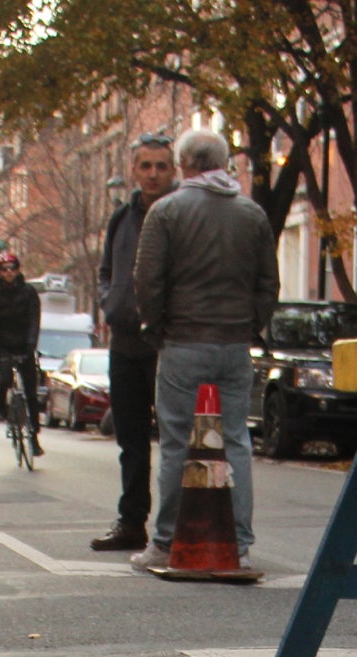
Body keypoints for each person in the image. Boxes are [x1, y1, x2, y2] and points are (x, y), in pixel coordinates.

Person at [131, 128, 277, 570]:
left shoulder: (167, 212)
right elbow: (268, 283)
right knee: (235, 442)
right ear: (222, 162)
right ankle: (241, 544)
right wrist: (251, 325)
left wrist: (155, 325)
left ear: (184, 165)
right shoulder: (252, 216)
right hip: (233, 344)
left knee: (178, 443)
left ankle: (165, 540)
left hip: (183, 341)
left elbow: (147, 279)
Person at [90, 130, 176, 552]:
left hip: (166, 344)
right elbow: (106, 270)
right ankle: (131, 522)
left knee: (177, 438)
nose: (153, 174)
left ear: (173, 170)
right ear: (133, 170)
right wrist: (110, 302)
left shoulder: (180, 213)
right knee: (131, 441)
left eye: (161, 166)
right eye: (146, 165)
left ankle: (175, 525)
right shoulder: (121, 218)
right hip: (124, 343)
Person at [0, 250, 43, 456]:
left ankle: (34, 435)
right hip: (4, 346)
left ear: (18, 270)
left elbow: (34, 320)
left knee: (31, 392)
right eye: (4, 269)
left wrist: (31, 344)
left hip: (25, 345)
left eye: (12, 268)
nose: (8, 272)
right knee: (5, 379)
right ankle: (0, 407)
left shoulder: (29, 293)